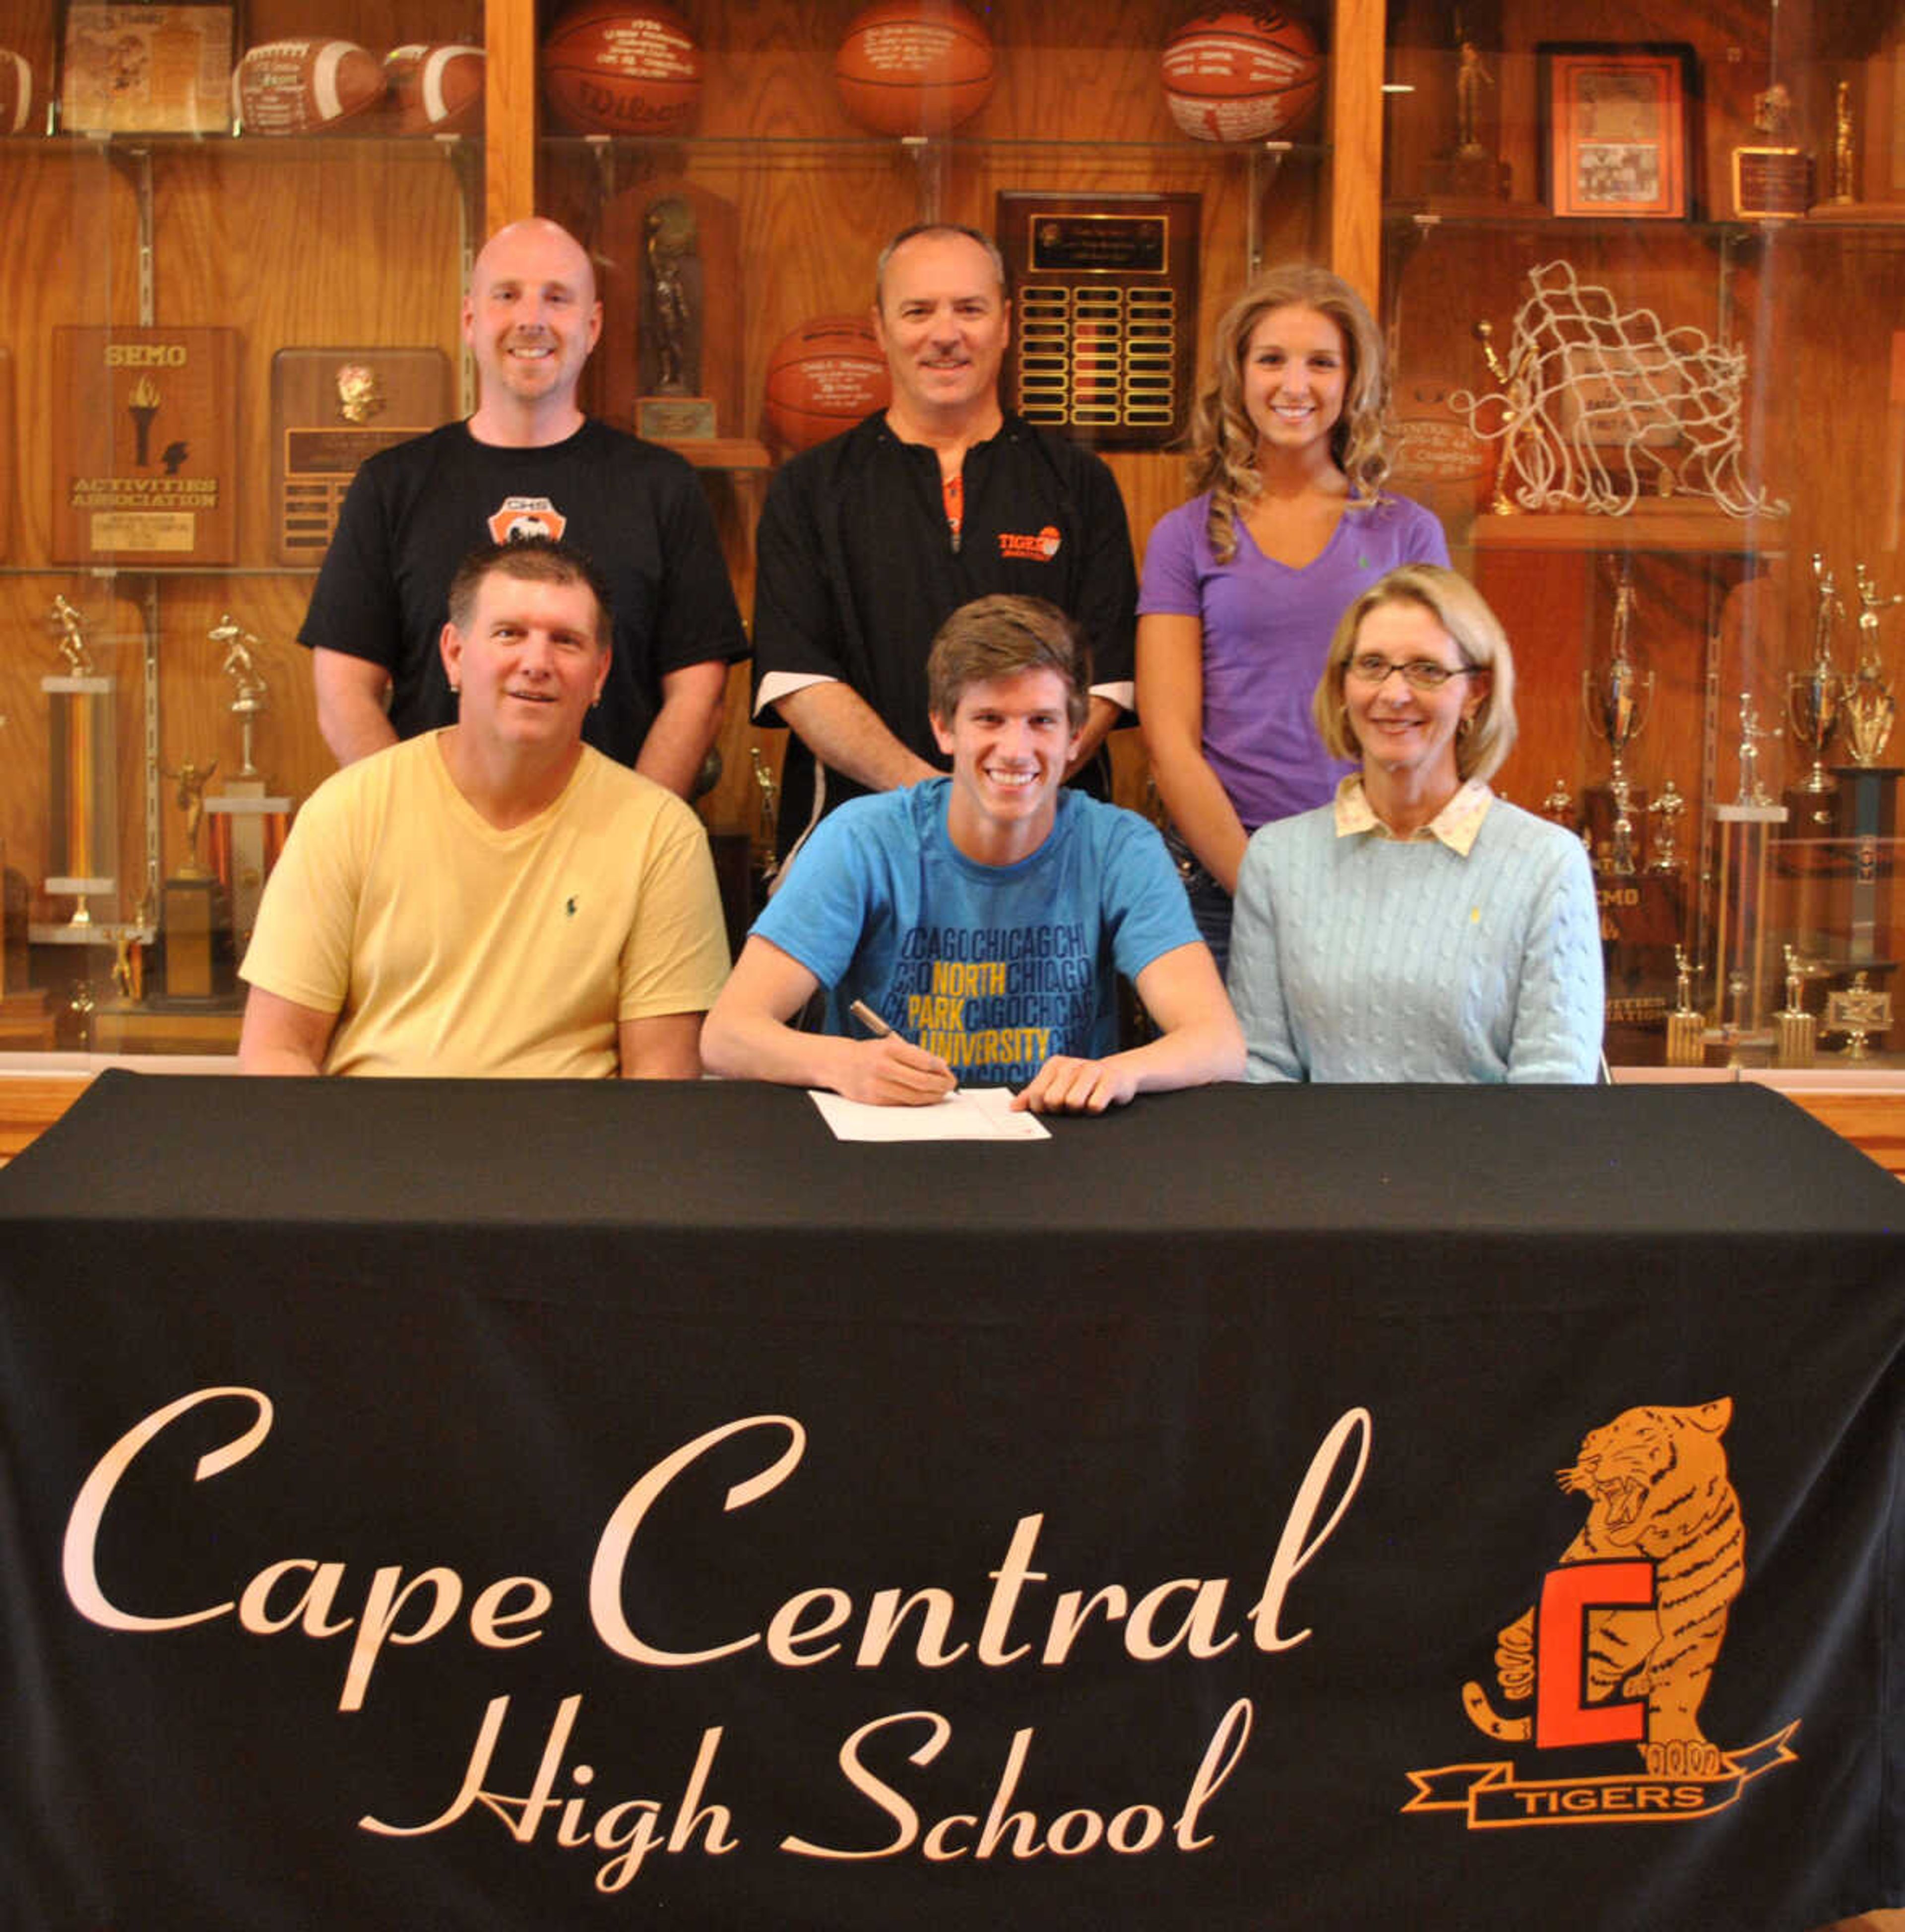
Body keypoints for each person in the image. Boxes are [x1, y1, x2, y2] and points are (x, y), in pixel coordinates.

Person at [703, 595, 1242, 1112]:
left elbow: (1218, 1042)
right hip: (890, 1144)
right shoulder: (862, 838)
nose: (1015, 748)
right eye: (989, 719)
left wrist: (1121, 1072)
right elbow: (728, 1035)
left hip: (1063, 1146)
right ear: (944, 727)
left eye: (1042, 721)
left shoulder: (1120, 846)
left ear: (1076, 735)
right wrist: (842, 1063)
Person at [241, 539, 731, 1078]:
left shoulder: (661, 836)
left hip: (576, 1156)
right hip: (373, 1150)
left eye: (566, 642)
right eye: (509, 634)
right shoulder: (345, 811)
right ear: (453, 653)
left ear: (600, 673)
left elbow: (661, 1077)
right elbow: (276, 1052)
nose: (537, 663)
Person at [299, 218, 745, 799]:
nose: (531, 318)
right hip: (438, 865)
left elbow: (699, 694)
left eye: (557, 299)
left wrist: (633, 836)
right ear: (470, 320)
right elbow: (342, 693)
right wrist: (417, 828)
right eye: (507, 295)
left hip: (606, 862)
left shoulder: (662, 487)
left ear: (593, 326)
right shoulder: (392, 485)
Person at [751, 221, 1138, 865]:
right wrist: (938, 804)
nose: (945, 333)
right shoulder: (809, 489)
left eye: (970, 309)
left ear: (1007, 323)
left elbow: (1102, 685)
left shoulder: (1081, 485)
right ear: (879, 328)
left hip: (1046, 850)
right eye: (918, 311)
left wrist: (1005, 795)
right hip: (859, 851)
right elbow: (801, 679)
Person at [1136, 264, 1450, 973]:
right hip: (1220, 882)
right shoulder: (1185, 537)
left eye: (1321, 362)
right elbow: (1171, 743)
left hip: (1377, 873)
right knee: (1223, 1087)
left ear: (1353, 380)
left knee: (1362, 1088)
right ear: (1238, 375)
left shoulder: (1409, 534)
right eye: (1271, 359)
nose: (1295, 385)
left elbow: (1437, 726)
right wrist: (1265, 890)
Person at [1227, 564, 1603, 1084]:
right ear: (1342, 686)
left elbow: (1555, 1086)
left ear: (1476, 691)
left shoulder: (1547, 864)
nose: (1394, 693)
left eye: (1427, 669)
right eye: (1372, 665)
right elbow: (1261, 1069)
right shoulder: (1276, 859)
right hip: (1316, 1165)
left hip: (1496, 1165)